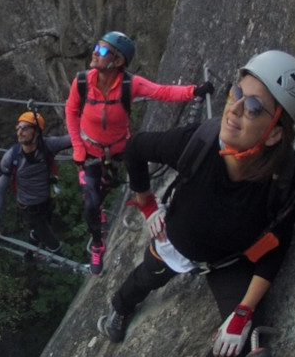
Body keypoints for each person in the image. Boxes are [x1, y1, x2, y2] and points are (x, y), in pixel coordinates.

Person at [96, 50, 295, 357]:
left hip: (227, 261)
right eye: (235, 92)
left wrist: (243, 312)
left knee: (243, 339)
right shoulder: (198, 143)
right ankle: (119, 308)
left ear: (276, 133)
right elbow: (137, 147)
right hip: (177, 242)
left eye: (252, 108)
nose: (234, 109)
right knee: (145, 278)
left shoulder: (284, 176)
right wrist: (148, 206)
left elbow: (276, 247)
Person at [64, 30, 213, 275]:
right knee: (91, 203)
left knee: (121, 184)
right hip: (89, 151)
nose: (95, 53)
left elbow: (161, 92)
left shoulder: (128, 84)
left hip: (120, 149)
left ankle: (150, 214)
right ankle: (98, 244)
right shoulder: (81, 82)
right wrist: (78, 148)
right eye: (96, 47)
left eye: (102, 50)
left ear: (118, 61)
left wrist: (194, 91)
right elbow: (70, 112)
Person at [0, 111, 71, 260]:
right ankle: (62, 261)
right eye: (18, 128)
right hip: (29, 207)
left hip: (47, 201)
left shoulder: (48, 146)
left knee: (40, 230)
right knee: (52, 243)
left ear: (37, 132)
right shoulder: (11, 157)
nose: (20, 132)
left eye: (25, 128)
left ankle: (30, 254)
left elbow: (73, 139)